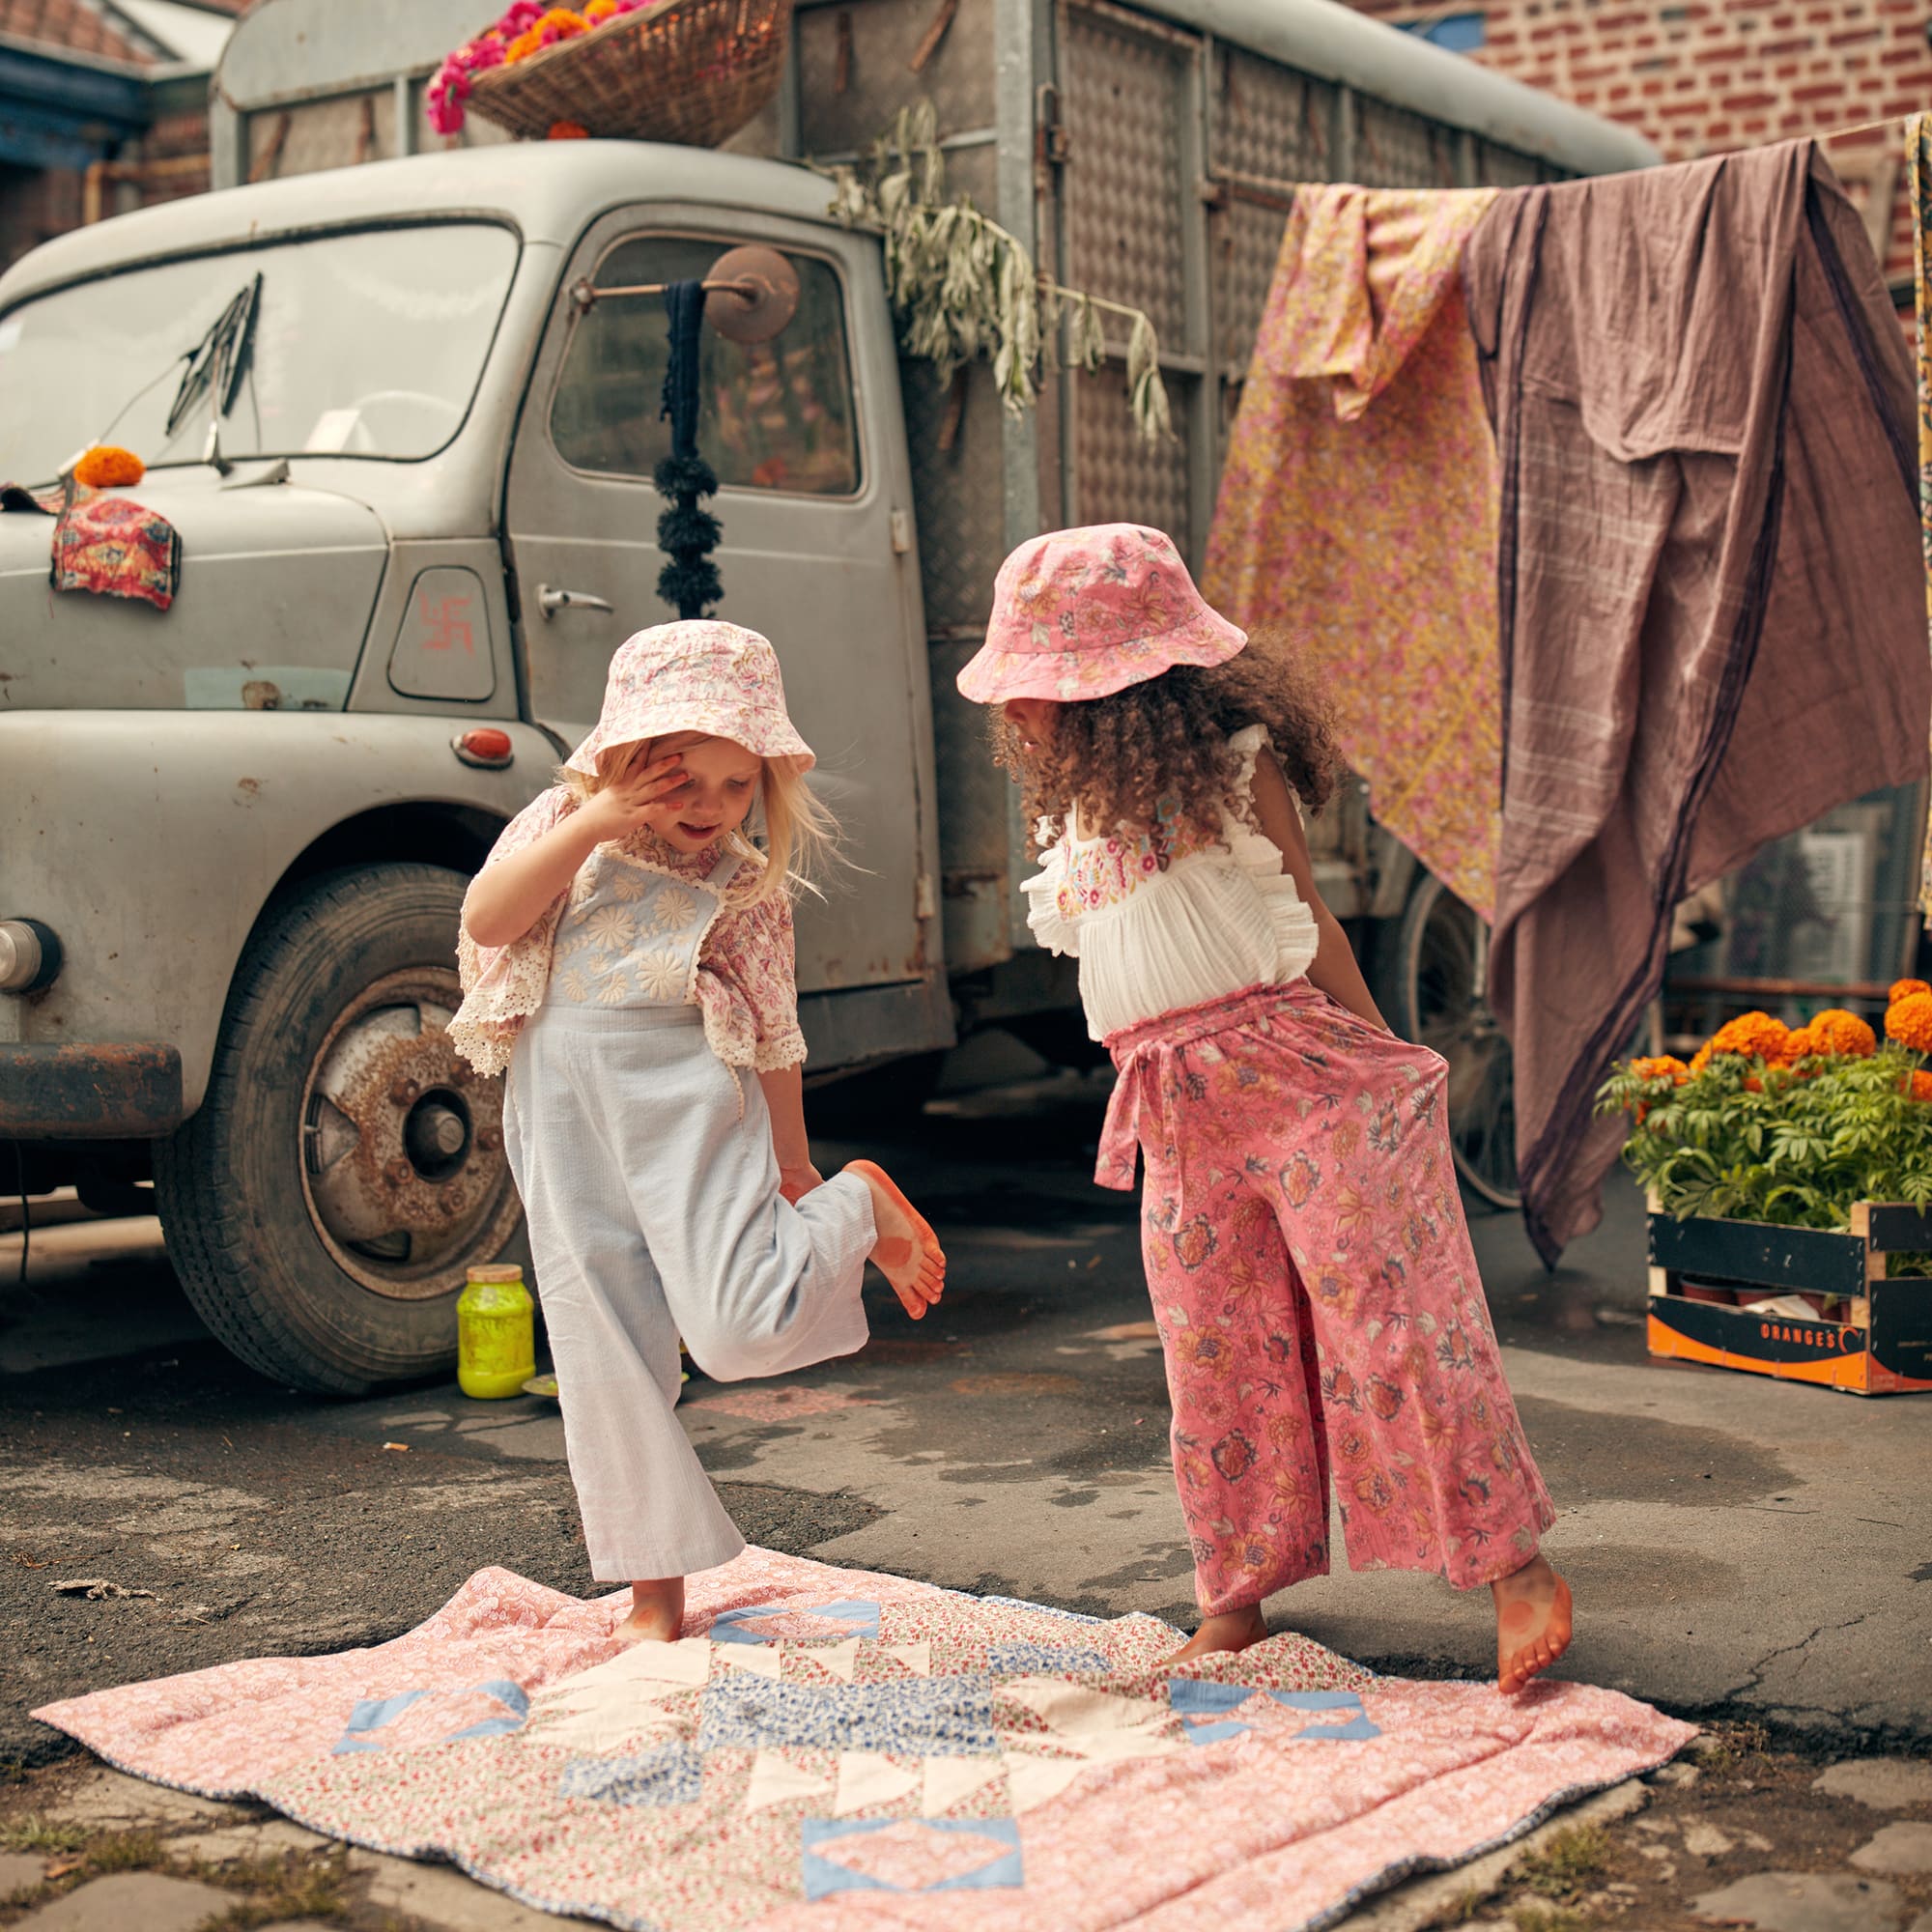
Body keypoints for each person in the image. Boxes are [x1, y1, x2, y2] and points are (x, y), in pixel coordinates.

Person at [957, 524, 1570, 1693]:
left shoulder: (1235, 768)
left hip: (1293, 1079)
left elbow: (1311, 923)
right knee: (1213, 1354)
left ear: (1121, 693)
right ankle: (1232, 1596)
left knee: (1391, 1325)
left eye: (1041, 687)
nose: (1020, 711)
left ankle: (1514, 1566)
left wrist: (1385, 1057)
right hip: (1176, 1108)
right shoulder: (1076, 818)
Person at [450, 620, 946, 1641]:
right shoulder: (563, 823)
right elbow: (491, 921)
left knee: (738, 1328)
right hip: (560, 1104)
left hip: (685, 1101)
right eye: (686, 782)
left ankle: (864, 1200)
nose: (712, 809)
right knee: (600, 1340)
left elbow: (773, 1033)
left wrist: (802, 1166)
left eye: (736, 785)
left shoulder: (745, 882)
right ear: (629, 760)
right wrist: (591, 823)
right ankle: (654, 1597)